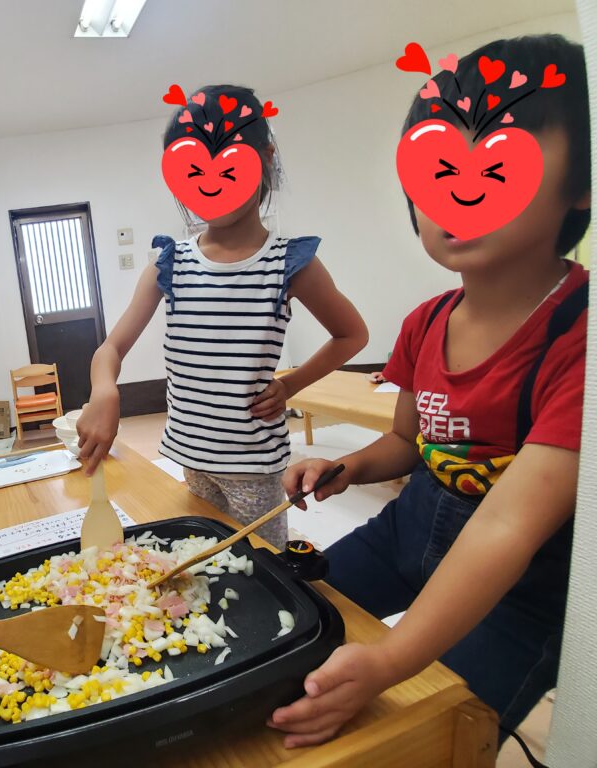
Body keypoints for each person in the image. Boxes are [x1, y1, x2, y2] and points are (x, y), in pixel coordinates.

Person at [273, 34, 589, 747]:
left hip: (521, 590)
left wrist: (391, 659)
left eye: (501, 164)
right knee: (287, 616)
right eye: (440, 168)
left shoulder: (579, 334)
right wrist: (347, 467)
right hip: (408, 531)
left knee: (435, 730)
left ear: (582, 184)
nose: (464, 191)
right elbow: (408, 443)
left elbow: (508, 526)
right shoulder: (426, 321)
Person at [77, 84, 368, 549]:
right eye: (194, 172)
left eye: (229, 168)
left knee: (259, 562)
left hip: (254, 465)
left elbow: (352, 334)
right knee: (204, 556)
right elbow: (110, 348)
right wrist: (104, 390)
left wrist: (290, 385)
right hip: (190, 456)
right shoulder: (170, 262)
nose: (211, 185)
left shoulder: (290, 262)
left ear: (265, 159)